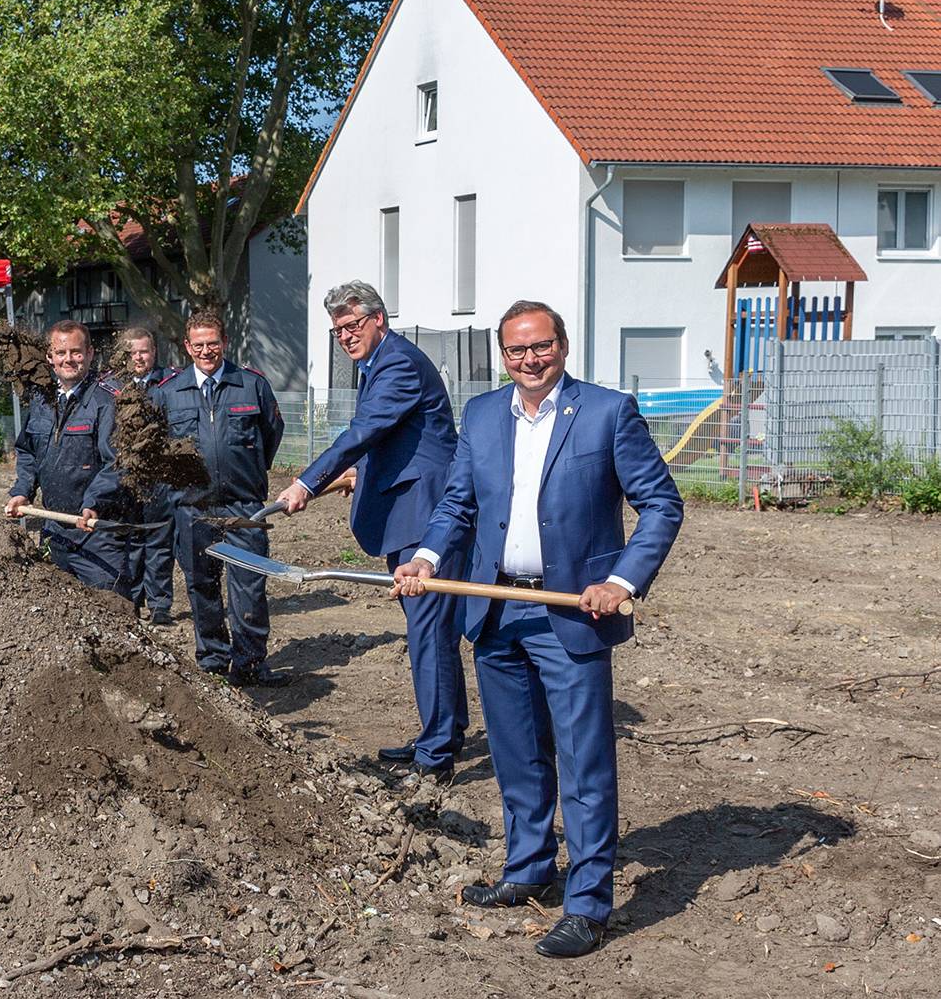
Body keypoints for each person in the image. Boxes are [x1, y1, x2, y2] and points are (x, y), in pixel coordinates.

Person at [393, 301, 682, 959]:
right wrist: (427, 557)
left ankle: (588, 905)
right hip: (494, 608)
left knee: (584, 761)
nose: (530, 358)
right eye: (517, 349)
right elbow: (459, 503)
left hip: (570, 612)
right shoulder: (484, 414)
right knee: (516, 753)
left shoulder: (609, 412)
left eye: (541, 346)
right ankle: (527, 869)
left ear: (563, 345)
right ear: (503, 354)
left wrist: (623, 581)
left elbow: (662, 503)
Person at [276, 280, 466, 780]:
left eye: (352, 325)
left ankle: (436, 754)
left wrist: (306, 482)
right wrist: (357, 475)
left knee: (429, 630)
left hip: (424, 513)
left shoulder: (398, 362)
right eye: (337, 330)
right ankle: (442, 732)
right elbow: (403, 438)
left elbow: (364, 432)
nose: (345, 336)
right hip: (405, 501)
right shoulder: (378, 362)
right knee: (429, 630)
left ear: (379, 319)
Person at [158, 312, 285, 686]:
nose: (206, 350)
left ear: (225, 342)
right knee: (202, 585)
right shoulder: (170, 391)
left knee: (249, 586)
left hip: (244, 508)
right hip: (193, 509)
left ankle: (249, 664)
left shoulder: (251, 385)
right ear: (187, 347)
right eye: (198, 344)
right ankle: (213, 660)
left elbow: (271, 434)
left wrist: (247, 471)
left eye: (212, 342)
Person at [3, 321, 130, 593]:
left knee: (110, 615)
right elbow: (27, 451)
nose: (68, 359)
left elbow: (116, 462)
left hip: (97, 534)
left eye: (76, 352)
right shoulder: (41, 399)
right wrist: (22, 490)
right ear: (50, 357)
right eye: (60, 353)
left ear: (91, 353)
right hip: (53, 529)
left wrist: (94, 501)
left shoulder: (107, 400)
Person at [114, 326, 180, 621]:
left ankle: (160, 605)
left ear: (154, 352)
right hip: (124, 476)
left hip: (159, 478)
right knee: (130, 541)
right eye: (132, 352)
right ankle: (132, 600)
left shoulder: (170, 384)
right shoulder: (112, 386)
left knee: (158, 542)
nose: (138, 357)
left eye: (144, 351)